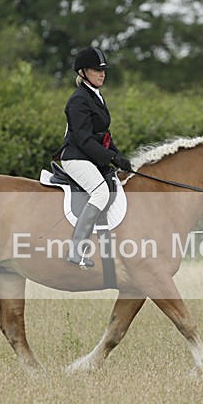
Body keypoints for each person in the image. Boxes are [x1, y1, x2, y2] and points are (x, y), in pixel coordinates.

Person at [60, 46, 132, 268]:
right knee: (100, 192)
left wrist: (118, 156)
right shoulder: (78, 100)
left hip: (88, 156)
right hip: (75, 157)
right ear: (83, 72)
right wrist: (109, 157)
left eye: (103, 70)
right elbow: (83, 139)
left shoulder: (95, 97)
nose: (102, 74)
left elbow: (103, 135)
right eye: (95, 70)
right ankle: (76, 249)